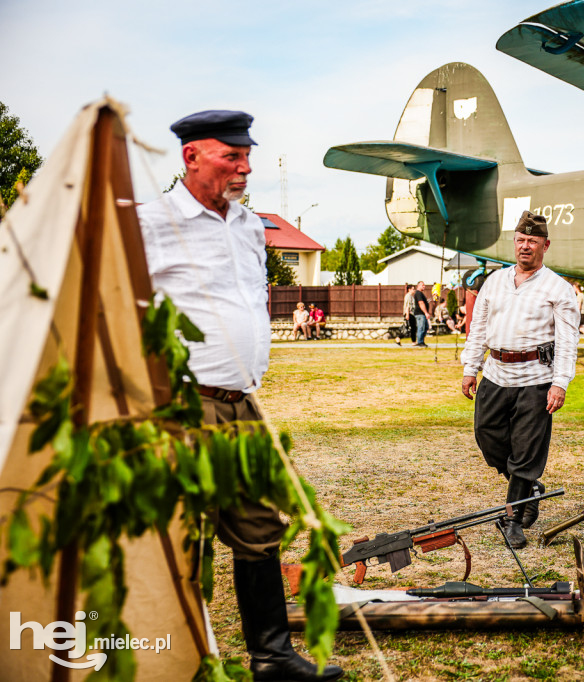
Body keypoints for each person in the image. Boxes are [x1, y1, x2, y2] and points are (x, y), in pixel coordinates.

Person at [137, 110, 342, 682]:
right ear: (192, 157)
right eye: (231, 156)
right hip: (180, 404)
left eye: (247, 155)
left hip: (244, 404)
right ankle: (183, 662)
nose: (245, 167)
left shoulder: (252, 226)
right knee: (183, 535)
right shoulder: (152, 222)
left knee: (257, 525)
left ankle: (272, 655)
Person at [460, 211, 579, 549]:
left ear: (545, 245)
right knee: (487, 437)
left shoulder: (558, 288)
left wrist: (560, 382)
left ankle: (513, 519)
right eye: (521, 240)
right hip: (495, 374)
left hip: (536, 380)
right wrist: (471, 367)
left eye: (532, 241)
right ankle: (527, 486)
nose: (525, 246)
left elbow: (569, 340)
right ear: (514, 243)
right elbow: (478, 327)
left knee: (526, 451)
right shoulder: (495, 281)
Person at [413, 280, 430, 347]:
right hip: (420, 314)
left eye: (424, 285)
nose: (424, 286)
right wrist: (426, 313)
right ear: (418, 286)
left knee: (426, 327)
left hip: (422, 314)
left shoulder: (420, 294)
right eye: (422, 285)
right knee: (421, 327)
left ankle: (422, 341)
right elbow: (421, 303)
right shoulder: (418, 293)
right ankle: (420, 342)